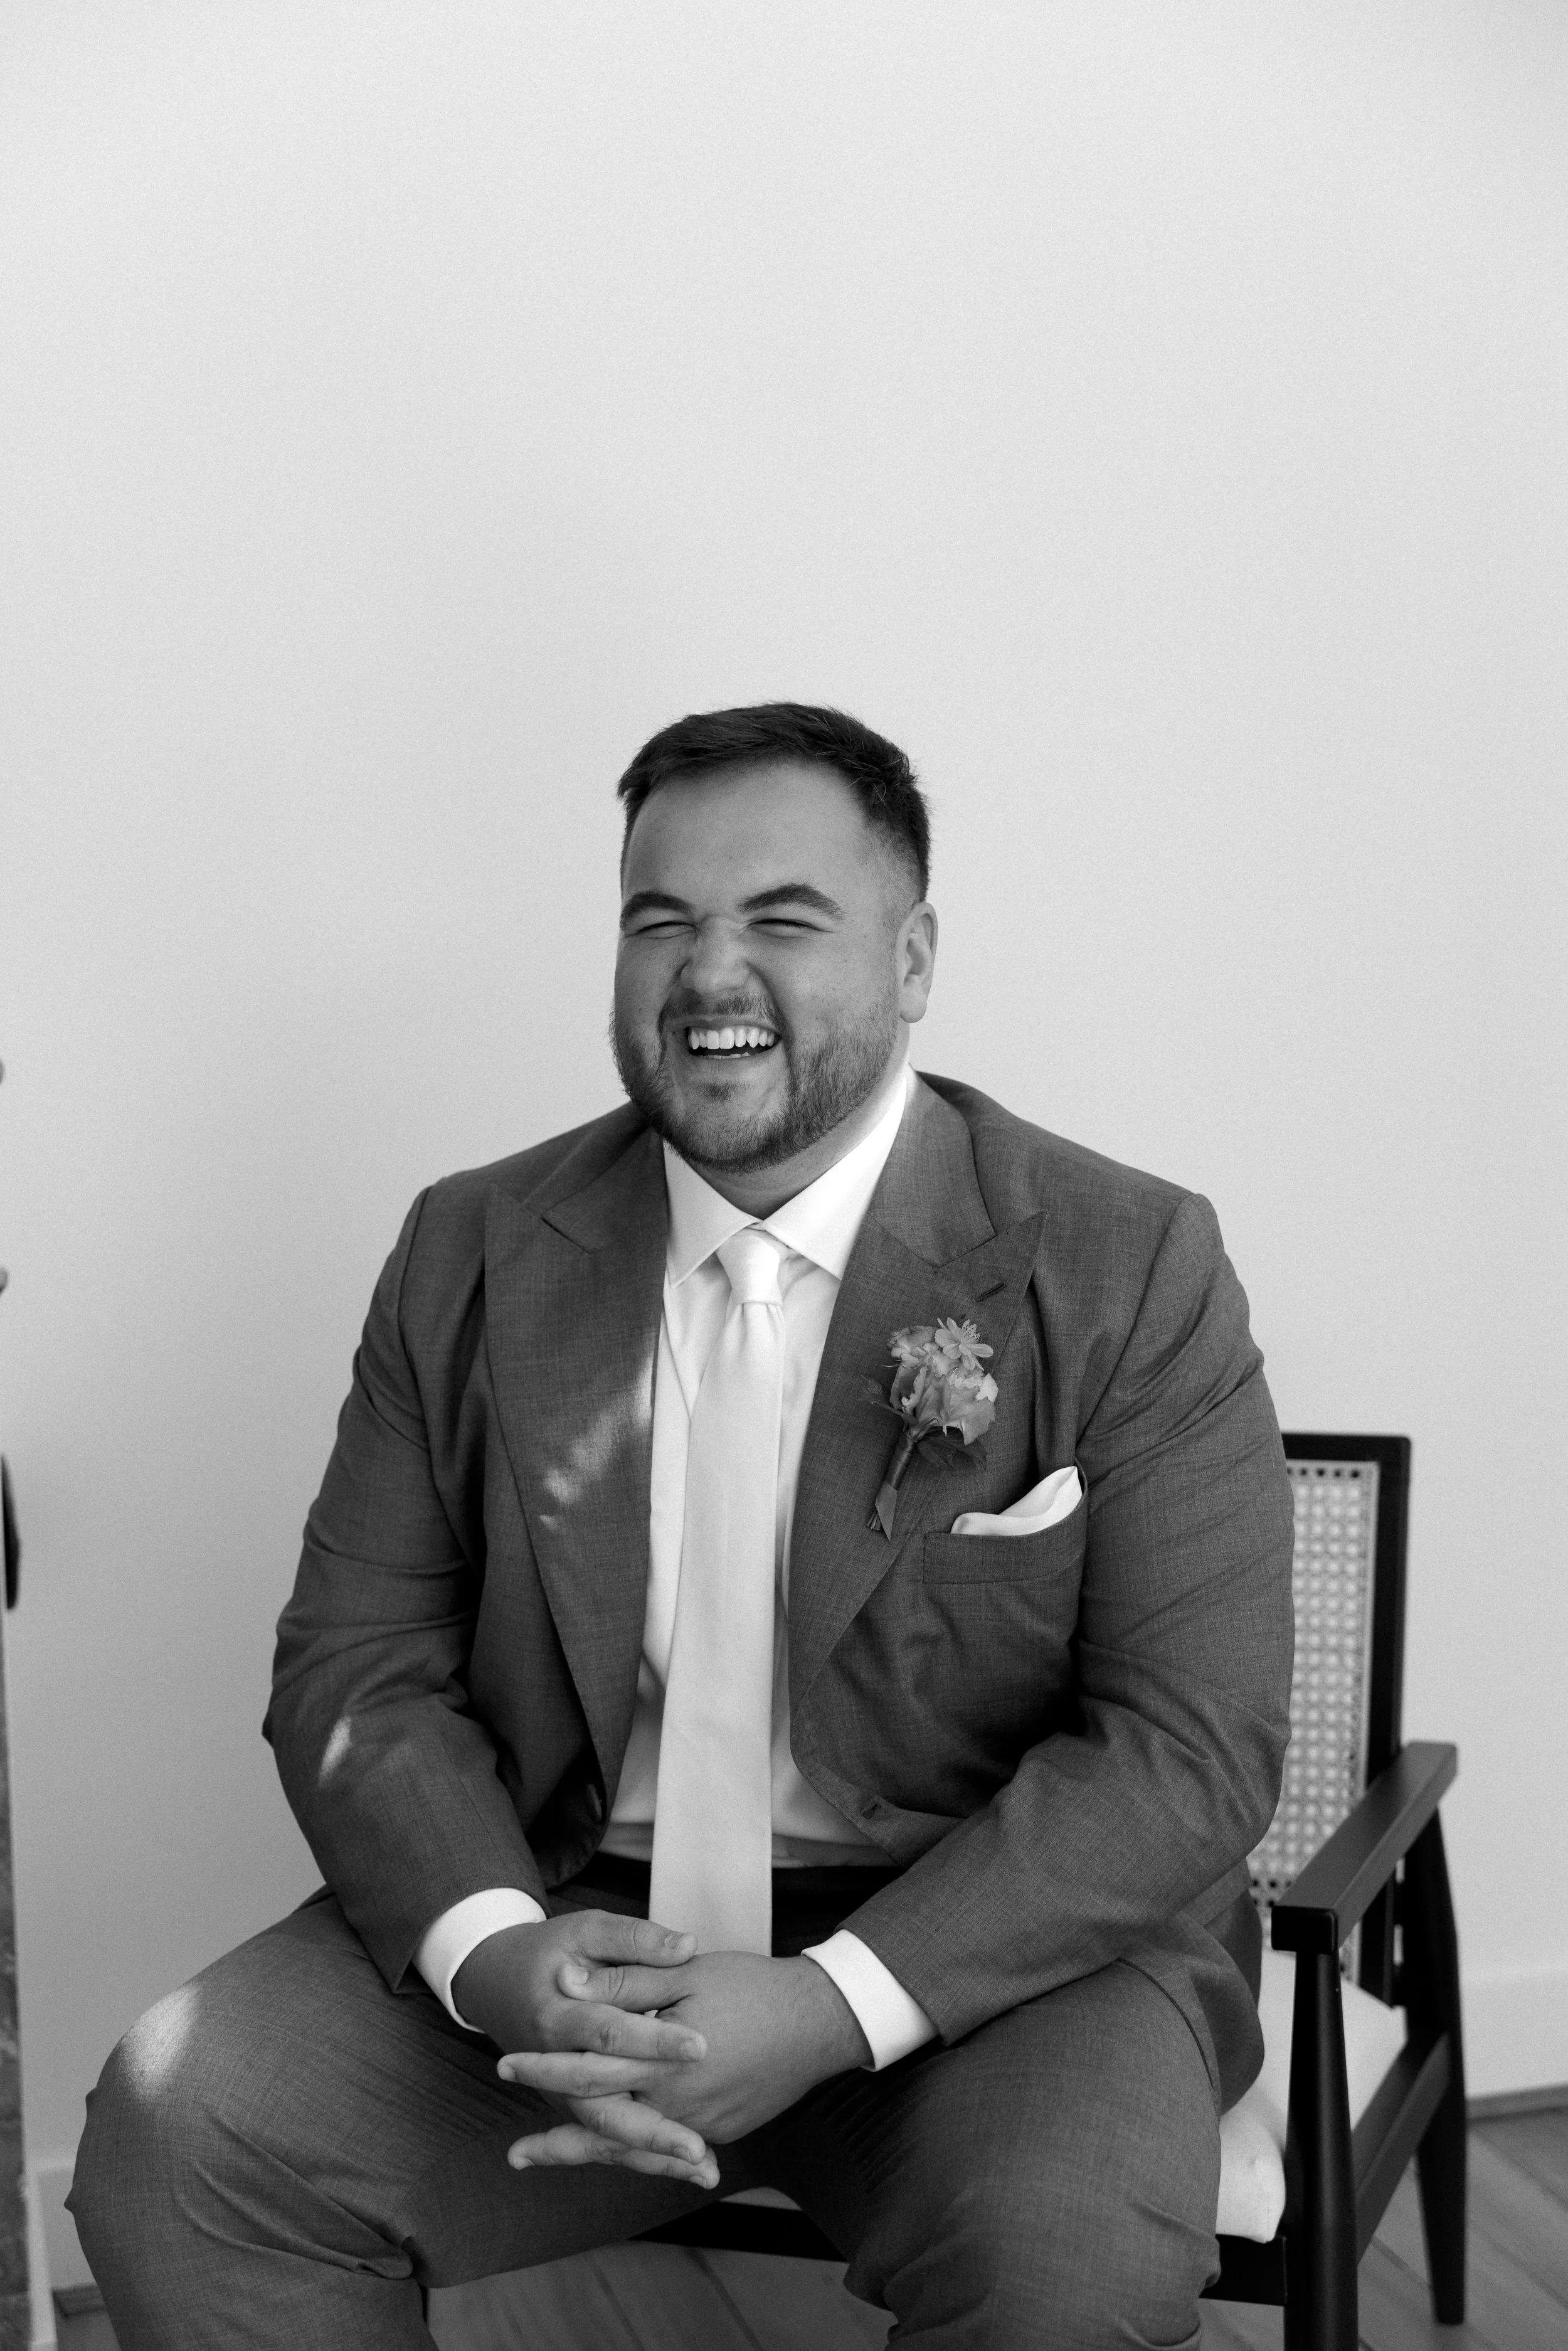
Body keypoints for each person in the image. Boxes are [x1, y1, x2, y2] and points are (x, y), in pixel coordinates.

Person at [70, 703, 1296, 2350]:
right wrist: (498, 1953)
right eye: (661, 919)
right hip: (579, 1929)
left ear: (914, 956)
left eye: (783, 919)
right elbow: (357, 1669)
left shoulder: (1124, 1260)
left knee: (1062, 2253)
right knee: (182, 2132)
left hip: (988, 1962)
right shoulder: (469, 1246)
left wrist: (829, 2000)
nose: (708, 973)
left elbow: (1181, 1745)